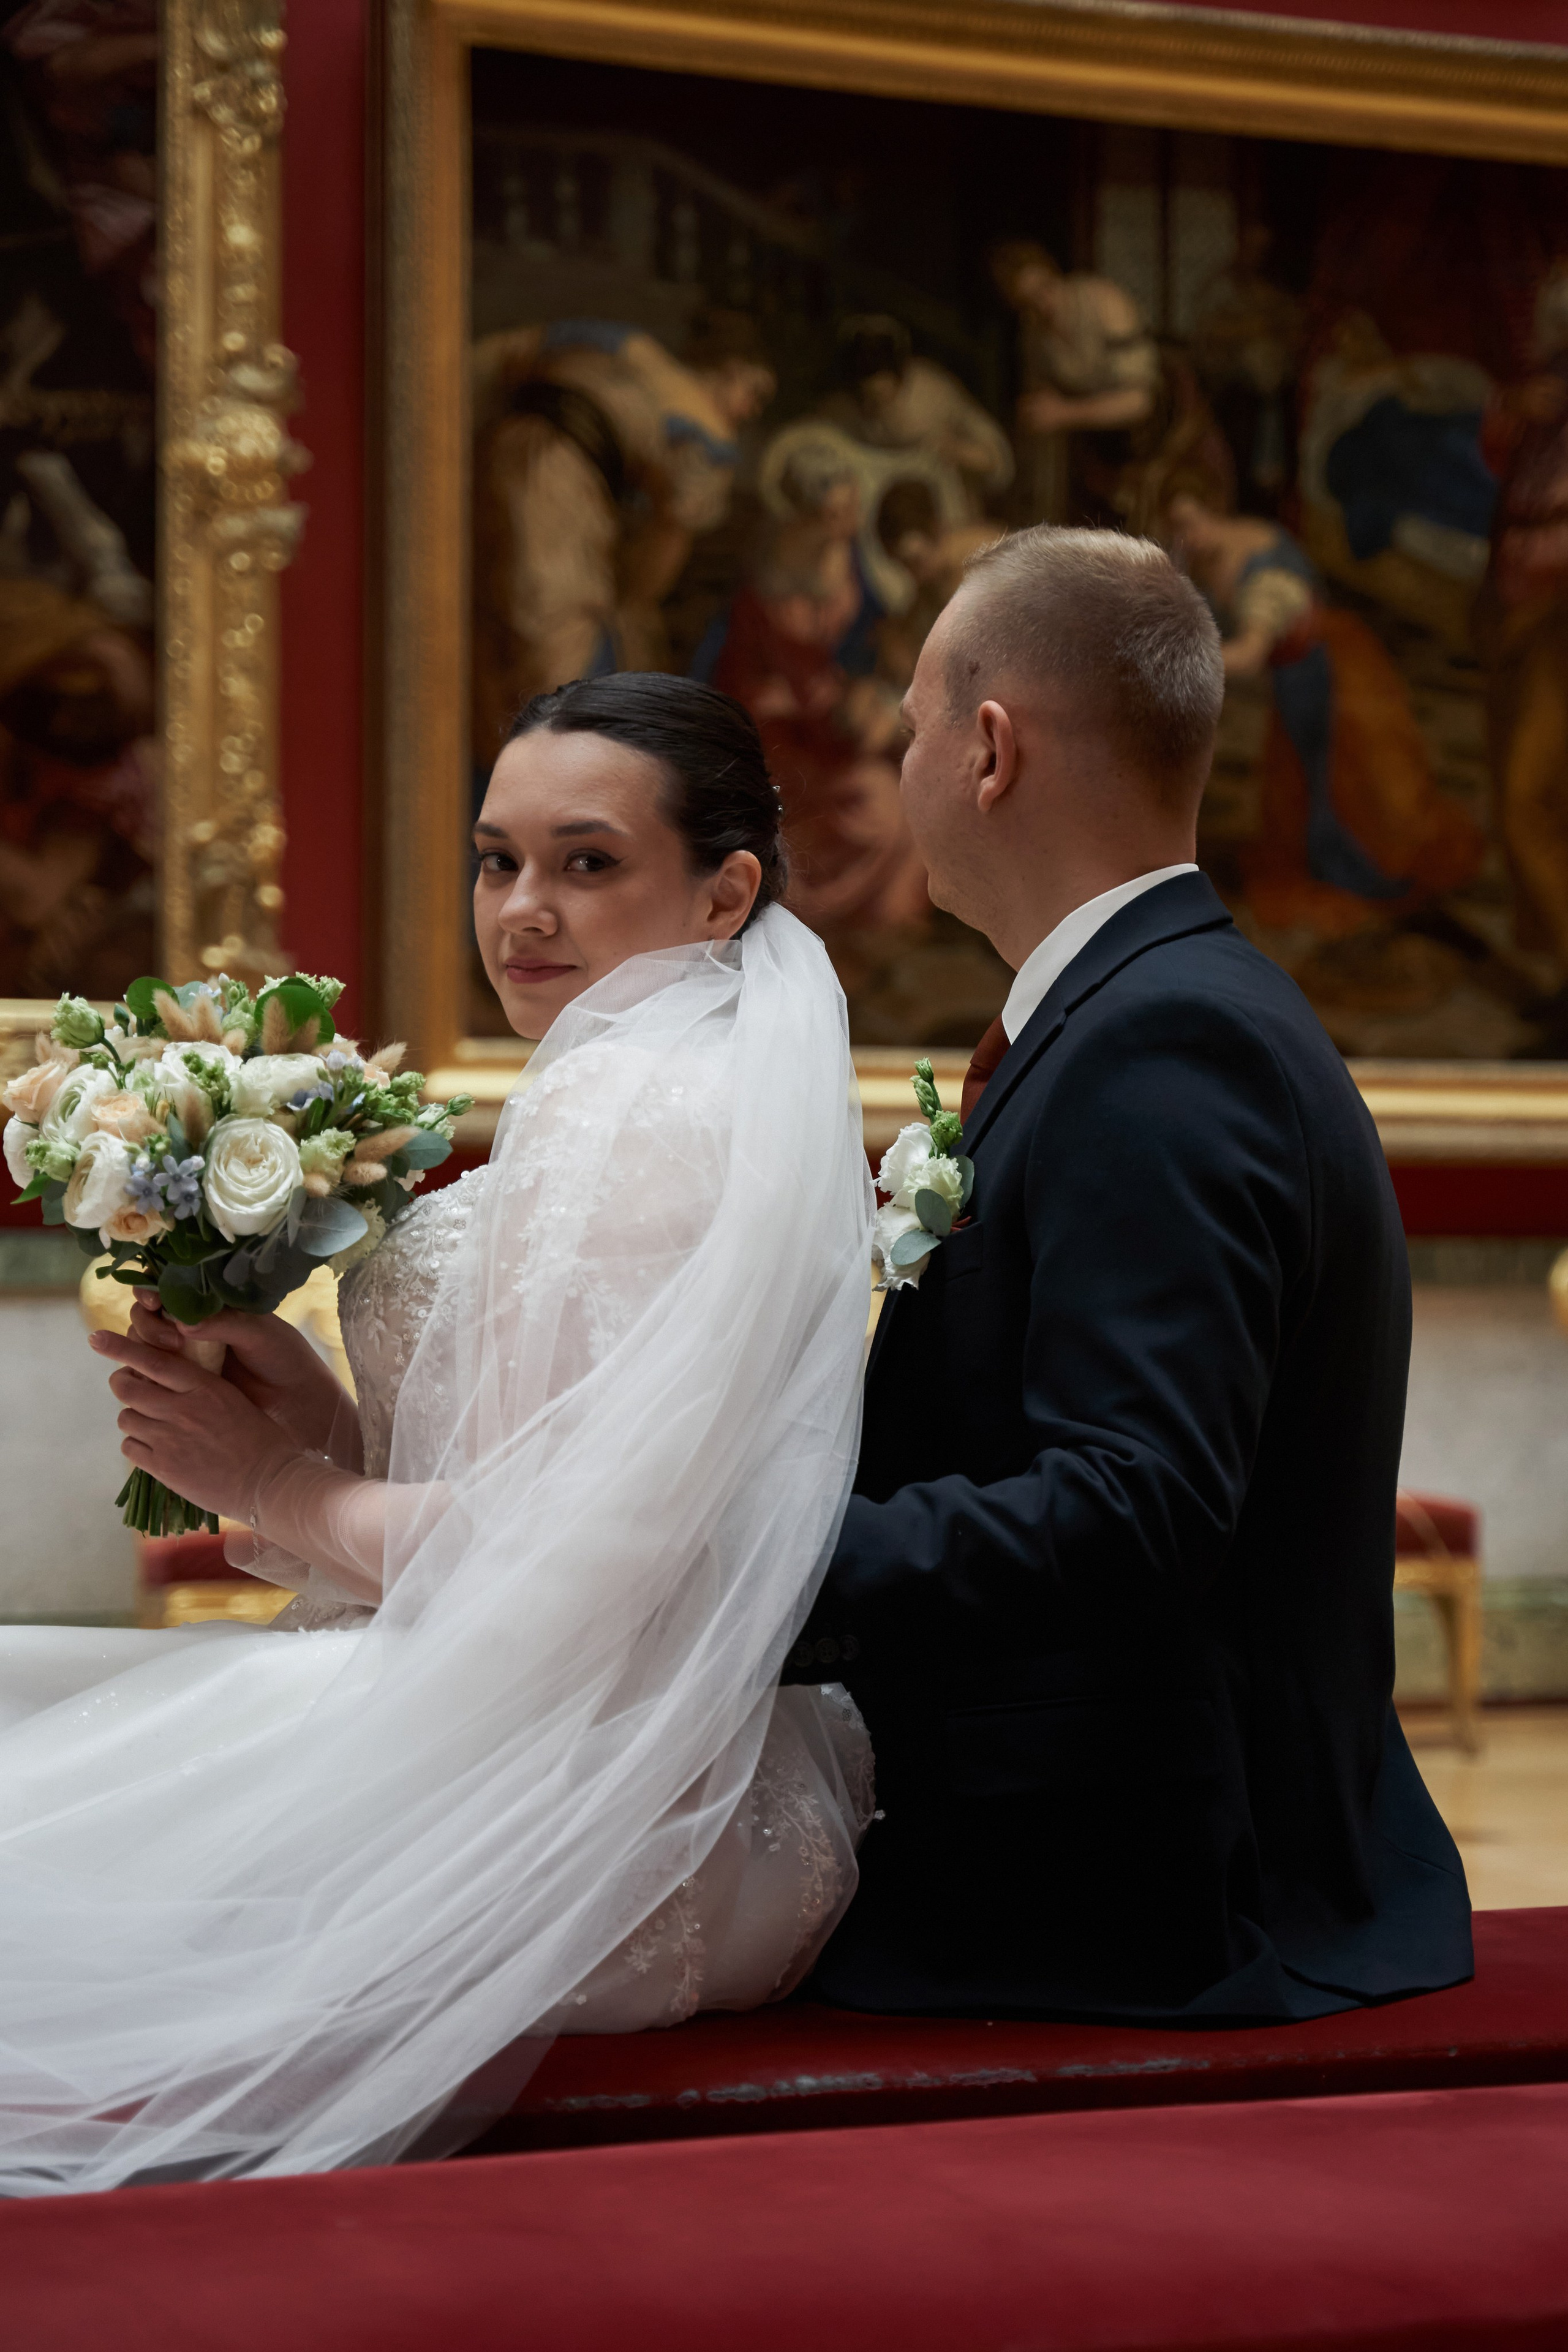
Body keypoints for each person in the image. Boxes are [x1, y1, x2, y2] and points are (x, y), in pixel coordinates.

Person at [0, 674, 875, 2193]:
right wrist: (313, 1409)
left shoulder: (631, 1105)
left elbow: (561, 1565)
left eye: (586, 861)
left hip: (579, 1835)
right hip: (657, 1788)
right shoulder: (681, 1074)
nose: (523, 907)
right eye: (497, 858)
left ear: (723, 888)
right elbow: (539, 1483)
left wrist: (271, 1477)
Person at [783, 526, 1471, 2022]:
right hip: (1094, 1820)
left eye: (904, 726)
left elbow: (1133, 1502)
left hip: (1134, 1884)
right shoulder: (1145, 1007)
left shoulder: (1162, 1041)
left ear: (985, 747)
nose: (895, 764)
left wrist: (748, 1569)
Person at [1164, 484, 1483, 938]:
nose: (1185, 535)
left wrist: (1177, 657)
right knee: (1311, 773)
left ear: (1212, 511)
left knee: (1343, 772)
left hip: (1332, 670)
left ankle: (1362, 874)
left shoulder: (1264, 573)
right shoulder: (1219, 549)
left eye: (1191, 522)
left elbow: (1251, 654)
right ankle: (1335, 861)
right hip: (1302, 671)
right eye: (1178, 525)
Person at [470, 314, 776, 760]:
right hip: (555, 494)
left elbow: (501, 353)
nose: (751, 411)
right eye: (756, 394)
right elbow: (654, 568)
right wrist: (624, 603)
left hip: (493, 458)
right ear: (730, 370)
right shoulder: (708, 437)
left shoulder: (629, 346)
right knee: (561, 658)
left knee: (490, 633)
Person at [816, 315, 1013, 523]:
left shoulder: (935, 394)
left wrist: (960, 451)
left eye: (886, 391)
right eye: (871, 395)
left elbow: (997, 458)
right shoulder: (839, 411)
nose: (879, 398)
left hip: (941, 514)